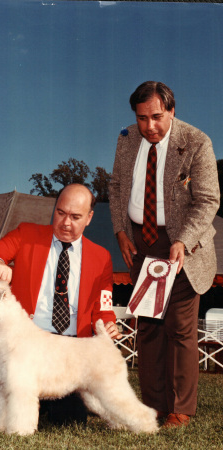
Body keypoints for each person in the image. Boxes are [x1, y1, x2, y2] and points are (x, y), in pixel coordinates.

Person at [109, 81, 220, 428]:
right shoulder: (127, 139)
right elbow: (115, 188)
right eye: (142, 118)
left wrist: (183, 241)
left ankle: (181, 410)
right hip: (142, 244)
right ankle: (153, 407)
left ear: (172, 111)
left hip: (185, 248)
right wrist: (120, 233)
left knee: (181, 328)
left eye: (156, 117)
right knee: (148, 329)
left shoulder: (197, 142)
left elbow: (207, 201)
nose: (149, 126)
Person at [0, 183, 121, 425]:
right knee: (16, 408)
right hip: (27, 347)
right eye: (60, 212)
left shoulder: (101, 257)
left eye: (75, 217)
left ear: (89, 218)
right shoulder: (26, 234)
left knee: (69, 422)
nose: (65, 223)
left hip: (70, 353)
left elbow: (104, 304)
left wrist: (109, 323)